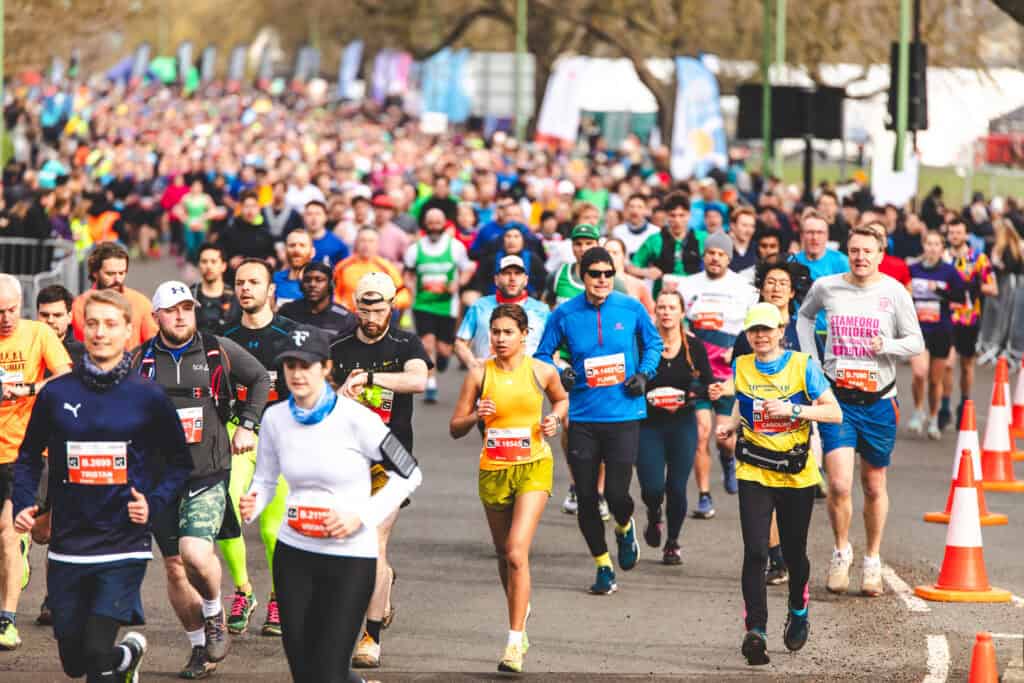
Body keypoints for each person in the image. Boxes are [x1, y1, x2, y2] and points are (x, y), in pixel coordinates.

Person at [13, 288, 193, 680]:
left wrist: (154, 503)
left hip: (122, 542)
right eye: (92, 323)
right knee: (74, 663)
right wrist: (25, 501)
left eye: (111, 324)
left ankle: (113, 660)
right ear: (82, 328)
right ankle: (127, 658)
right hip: (68, 544)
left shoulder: (147, 396)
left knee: (95, 653)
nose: (100, 333)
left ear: (128, 330)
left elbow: (179, 463)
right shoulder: (57, 393)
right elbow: (28, 457)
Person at [238, 325, 422, 683]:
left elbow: (410, 472)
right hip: (295, 555)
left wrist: (361, 516)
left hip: (349, 558)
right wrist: (254, 503)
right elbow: (265, 477)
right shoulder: (276, 419)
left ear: (326, 367)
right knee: (305, 671)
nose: (297, 373)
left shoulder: (358, 420)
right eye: (290, 365)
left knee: (328, 670)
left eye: (306, 365)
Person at [130, 281, 271, 678]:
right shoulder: (140, 360)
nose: (180, 316)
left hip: (206, 472)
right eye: (172, 310)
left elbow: (260, 378)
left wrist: (247, 424)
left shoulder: (215, 349)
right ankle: (199, 650)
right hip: (158, 480)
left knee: (195, 553)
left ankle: (214, 613)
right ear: (156, 316)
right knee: (175, 569)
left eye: (187, 308)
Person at [797, 223, 923, 597]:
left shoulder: (894, 292)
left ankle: (871, 558)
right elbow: (804, 318)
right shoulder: (828, 287)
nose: (861, 257)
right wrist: (811, 362)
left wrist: (887, 346)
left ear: (880, 255)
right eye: (855, 250)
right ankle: (841, 551)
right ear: (847, 252)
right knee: (837, 484)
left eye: (868, 251)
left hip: (879, 401)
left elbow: (915, 342)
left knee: (873, 485)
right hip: (838, 401)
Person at [535, 246, 662, 595]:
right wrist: (563, 371)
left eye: (608, 274)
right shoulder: (564, 313)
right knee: (588, 498)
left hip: (624, 414)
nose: (603, 280)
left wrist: (644, 374)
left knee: (619, 494)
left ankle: (624, 527)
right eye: (595, 274)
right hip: (583, 417)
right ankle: (603, 566)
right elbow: (543, 355)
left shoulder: (631, 307)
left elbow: (654, 344)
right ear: (583, 274)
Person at [719, 303, 842, 666]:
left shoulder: (802, 366)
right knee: (756, 551)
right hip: (754, 469)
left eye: (767, 330)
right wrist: (731, 424)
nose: (760, 336)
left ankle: (798, 606)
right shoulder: (741, 366)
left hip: (795, 472)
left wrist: (794, 411)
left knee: (793, 553)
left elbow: (834, 412)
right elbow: (743, 406)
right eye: (754, 330)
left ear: (780, 331)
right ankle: (756, 631)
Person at [450, 304, 568, 673]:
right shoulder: (478, 375)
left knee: (517, 551)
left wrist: (554, 420)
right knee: (504, 555)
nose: (500, 339)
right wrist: (475, 417)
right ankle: (520, 604)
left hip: (533, 466)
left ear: (524, 335)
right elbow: (455, 427)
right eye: (495, 332)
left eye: (507, 333)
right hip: (494, 470)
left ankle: (514, 641)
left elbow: (562, 399)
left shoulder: (541, 371)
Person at [330, 272, 431, 670]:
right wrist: (337, 394)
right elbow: (319, 392)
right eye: (364, 308)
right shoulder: (339, 344)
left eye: (378, 307)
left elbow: (419, 380)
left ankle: (370, 635)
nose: (370, 315)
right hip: (349, 459)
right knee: (351, 548)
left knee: (373, 542)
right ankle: (382, 585)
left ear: (392, 305)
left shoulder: (405, 342)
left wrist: (371, 378)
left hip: (392, 460)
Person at [220, 259, 303, 637]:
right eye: (240, 283)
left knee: (273, 530)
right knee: (226, 511)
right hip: (237, 436)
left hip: (281, 441)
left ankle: (279, 598)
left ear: (271, 289)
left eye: (254, 282)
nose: (246, 289)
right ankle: (243, 591)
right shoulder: (224, 337)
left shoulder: (292, 335)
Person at [0, 274, 73, 649]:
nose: (6, 318)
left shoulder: (37, 334)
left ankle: (6, 620)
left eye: (12, 309)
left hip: (25, 455)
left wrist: (26, 389)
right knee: (11, 536)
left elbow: (65, 378)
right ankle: (7, 615)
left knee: (19, 532)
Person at [676, 232, 760, 519]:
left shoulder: (744, 288)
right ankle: (703, 496)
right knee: (700, 434)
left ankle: (727, 459)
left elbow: (754, 325)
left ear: (729, 257)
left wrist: (738, 351)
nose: (715, 258)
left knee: (725, 437)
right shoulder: (688, 286)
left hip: (727, 370)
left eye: (721, 254)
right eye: (710, 252)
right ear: (704, 255)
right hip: (697, 368)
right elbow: (677, 320)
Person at [637, 290, 716, 565]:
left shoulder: (694, 347)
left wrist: (692, 394)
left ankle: (672, 542)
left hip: (682, 423)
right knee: (652, 488)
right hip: (648, 425)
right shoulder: (642, 345)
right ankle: (653, 513)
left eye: (672, 307)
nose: (666, 312)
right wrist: (644, 393)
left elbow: (707, 382)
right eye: (661, 307)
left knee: (677, 487)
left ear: (682, 313)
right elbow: (629, 381)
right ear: (654, 312)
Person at [403, 207, 473, 403]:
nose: (434, 226)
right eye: (430, 222)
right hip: (423, 304)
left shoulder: (456, 247)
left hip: (447, 306)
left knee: (443, 349)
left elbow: (467, 269)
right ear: (425, 224)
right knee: (427, 343)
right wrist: (409, 286)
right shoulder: (415, 249)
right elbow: (407, 273)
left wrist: (457, 283)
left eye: (437, 222)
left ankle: (443, 358)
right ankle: (431, 385)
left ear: (444, 224)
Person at [907, 232, 966, 440]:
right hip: (918, 330)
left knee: (934, 380)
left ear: (942, 248)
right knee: (919, 373)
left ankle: (933, 418)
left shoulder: (949, 272)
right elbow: (902, 294)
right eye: (928, 243)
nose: (932, 248)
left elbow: (961, 296)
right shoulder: (913, 270)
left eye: (936, 244)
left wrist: (939, 291)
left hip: (941, 330)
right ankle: (917, 411)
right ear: (923, 246)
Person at [940, 217, 997, 430]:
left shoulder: (978, 258)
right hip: (946, 317)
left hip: (969, 318)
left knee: (966, 365)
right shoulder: (942, 257)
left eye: (958, 232)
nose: (954, 236)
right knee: (947, 364)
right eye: (951, 232)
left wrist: (976, 286)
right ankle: (944, 407)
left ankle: (964, 403)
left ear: (966, 235)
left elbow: (993, 288)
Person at [455, 255, 550, 369]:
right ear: (496, 279)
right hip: (488, 379)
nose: (512, 278)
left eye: (518, 273)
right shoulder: (479, 306)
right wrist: (472, 362)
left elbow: (553, 349)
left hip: (529, 381)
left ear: (526, 280)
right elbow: (460, 343)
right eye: (506, 273)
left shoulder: (542, 310)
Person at [71, 241, 159, 349]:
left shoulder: (140, 302)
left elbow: (153, 345)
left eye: (121, 273)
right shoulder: (80, 305)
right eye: (110, 274)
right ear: (95, 273)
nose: (117, 279)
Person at [790, 211, 850, 360]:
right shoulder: (792, 262)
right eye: (810, 232)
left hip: (833, 335)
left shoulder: (842, 262)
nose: (814, 237)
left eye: (820, 232)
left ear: (827, 235)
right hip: (801, 334)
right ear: (802, 235)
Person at [333, 227, 411, 312]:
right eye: (362, 240)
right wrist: (340, 306)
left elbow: (404, 294)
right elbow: (332, 293)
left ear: (378, 244)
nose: (366, 244)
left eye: (371, 241)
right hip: (348, 316)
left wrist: (387, 304)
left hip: (377, 318)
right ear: (356, 243)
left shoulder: (386, 268)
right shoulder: (343, 266)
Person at [278, 262, 358, 339]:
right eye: (307, 280)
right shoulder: (287, 312)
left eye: (319, 280)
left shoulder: (345, 318)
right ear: (301, 285)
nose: (312, 284)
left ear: (330, 285)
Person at [192, 243, 242, 336]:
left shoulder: (236, 298)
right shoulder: (189, 296)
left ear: (224, 266)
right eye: (204, 261)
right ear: (198, 265)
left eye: (213, 261)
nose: (208, 266)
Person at [219, 191, 276, 270]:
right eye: (246, 206)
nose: (250, 210)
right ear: (240, 208)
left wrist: (272, 259)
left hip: (260, 274)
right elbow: (221, 253)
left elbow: (272, 253)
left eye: (254, 206)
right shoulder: (230, 231)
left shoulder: (265, 231)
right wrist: (230, 261)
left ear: (259, 208)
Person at [604, 238, 655, 317]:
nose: (610, 256)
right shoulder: (595, 283)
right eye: (607, 252)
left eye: (615, 253)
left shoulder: (637, 284)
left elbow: (652, 313)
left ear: (624, 256)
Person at [36, 284, 85, 366]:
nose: (50, 320)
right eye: (44, 315)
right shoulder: (25, 348)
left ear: (69, 317)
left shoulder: (84, 355)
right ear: (37, 315)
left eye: (57, 315)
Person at [175, 179, 219, 263]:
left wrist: (204, 217)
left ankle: (199, 260)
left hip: (202, 224)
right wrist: (185, 219)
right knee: (190, 244)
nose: (196, 188)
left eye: (198, 186)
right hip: (190, 224)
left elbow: (213, 210)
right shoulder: (186, 197)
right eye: (194, 186)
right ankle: (191, 260)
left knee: (201, 244)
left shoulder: (206, 198)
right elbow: (178, 209)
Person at [272, 229, 315, 307]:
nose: (296, 250)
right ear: (285, 250)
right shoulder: (274, 279)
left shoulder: (319, 283)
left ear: (312, 252)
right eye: (292, 245)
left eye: (302, 245)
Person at [304, 200, 349, 268]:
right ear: (304, 217)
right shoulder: (296, 243)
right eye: (309, 214)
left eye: (318, 214)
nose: (314, 218)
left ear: (326, 217)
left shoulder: (338, 245)